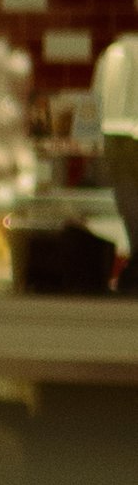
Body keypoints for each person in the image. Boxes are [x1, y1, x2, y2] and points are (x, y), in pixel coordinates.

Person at [93, 22, 138, 290]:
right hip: (121, 139)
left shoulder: (118, 52)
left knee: (131, 207)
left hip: (120, 140)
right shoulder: (120, 52)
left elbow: (98, 106)